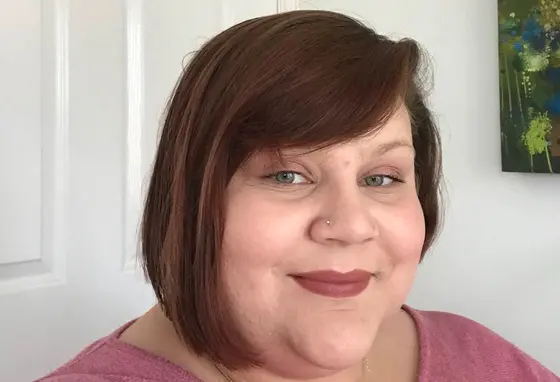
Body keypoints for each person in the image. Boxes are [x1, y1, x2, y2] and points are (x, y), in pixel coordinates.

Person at [37, 9, 559, 382]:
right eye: (288, 175)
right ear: (193, 198)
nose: (352, 225)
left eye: (382, 177)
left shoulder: (482, 356)